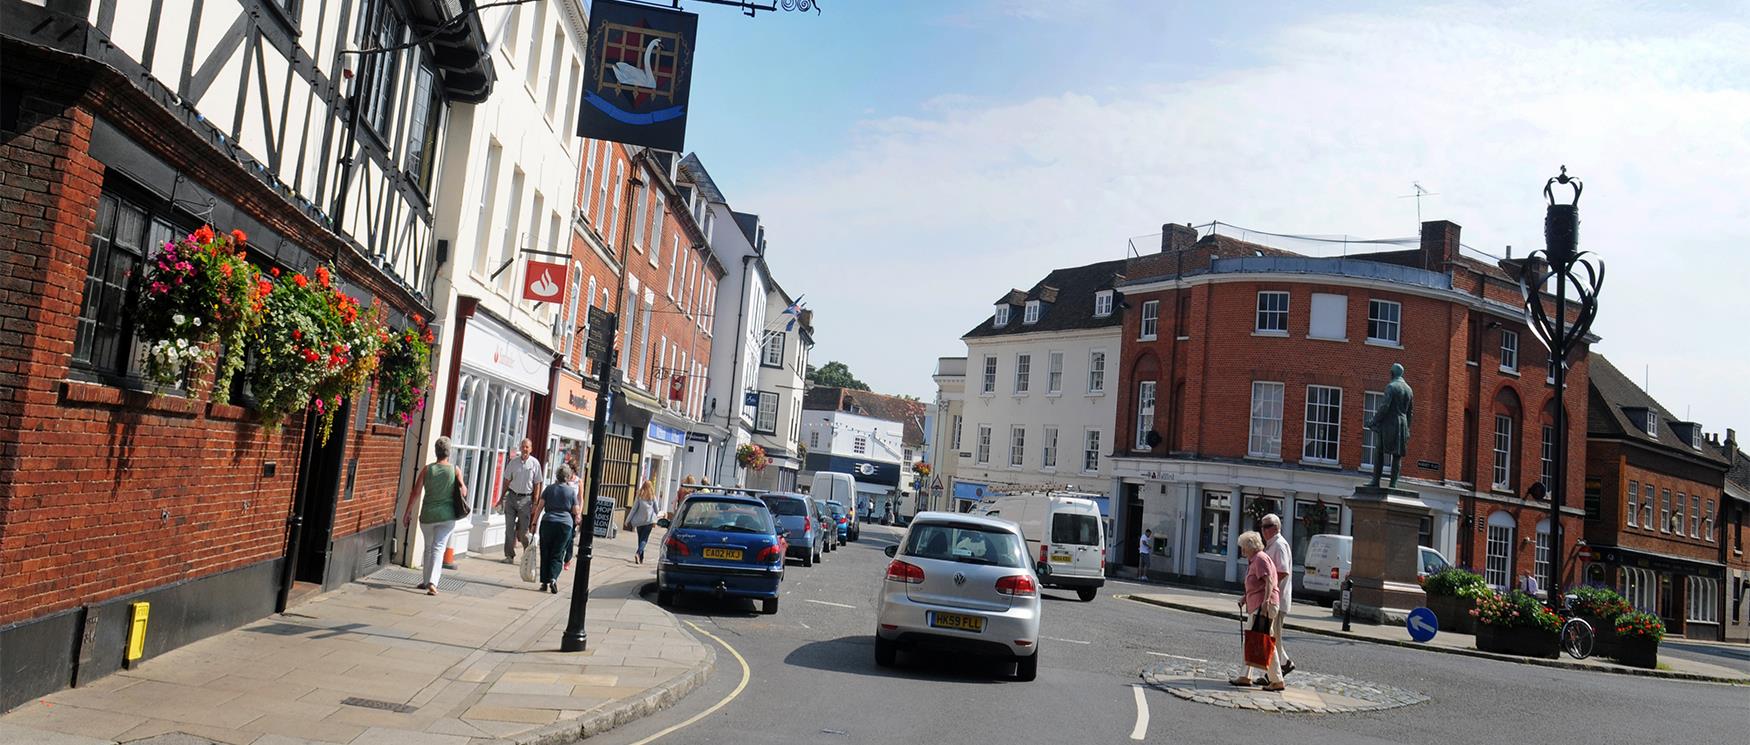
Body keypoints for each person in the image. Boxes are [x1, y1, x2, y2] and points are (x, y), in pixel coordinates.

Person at [404, 437, 467, 596]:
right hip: (447, 517)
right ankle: (432, 582)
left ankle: (426, 581)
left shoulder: (427, 469)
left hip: (428, 516)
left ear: (435, 452)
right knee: (438, 548)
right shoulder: (455, 470)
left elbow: (415, 493)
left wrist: (408, 512)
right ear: (449, 452)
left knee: (428, 548)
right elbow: (464, 491)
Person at [1231, 530, 1284, 691]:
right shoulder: (1255, 560)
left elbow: (1269, 582)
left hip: (1263, 606)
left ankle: (1276, 680)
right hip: (1258, 605)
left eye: (1243, 547)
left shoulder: (1260, 559)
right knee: (1253, 640)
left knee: (1265, 643)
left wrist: (1266, 602)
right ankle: (1245, 676)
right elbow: (1257, 585)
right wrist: (1245, 598)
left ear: (1251, 546)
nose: (1242, 550)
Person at [1259, 514, 1297, 677]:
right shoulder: (1271, 545)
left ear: (1275, 528)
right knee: (1272, 636)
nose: (1263, 529)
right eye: (1261, 526)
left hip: (1277, 600)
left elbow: (1282, 572)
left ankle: (1276, 673)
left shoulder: (1279, 545)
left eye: (1266, 526)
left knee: (1273, 637)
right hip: (1274, 599)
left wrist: (1269, 589)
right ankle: (1284, 664)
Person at [535, 465, 581, 594]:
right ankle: (553, 578)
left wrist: (534, 524)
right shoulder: (571, 491)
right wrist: (577, 517)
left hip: (548, 522)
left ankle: (544, 582)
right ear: (567, 477)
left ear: (556, 476)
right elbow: (575, 510)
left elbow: (540, 507)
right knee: (558, 553)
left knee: (545, 552)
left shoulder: (549, 489)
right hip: (565, 525)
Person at [502, 438, 542, 564]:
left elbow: (537, 484)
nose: (524, 449)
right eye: (523, 446)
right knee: (509, 528)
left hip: (526, 499)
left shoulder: (535, 463)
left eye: (527, 447)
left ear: (531, 449)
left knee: (524, 533)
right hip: (512, 497)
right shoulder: (513, 463)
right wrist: (501, 497)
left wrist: (535, 503)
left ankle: (526, 555)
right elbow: (507, 481)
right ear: (520, 447)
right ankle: (509, 556)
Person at [628, 479, 659, 563]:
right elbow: (657, 510)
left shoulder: (639, 496)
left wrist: (628, 520)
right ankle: (638, 553)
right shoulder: (653, 497)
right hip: (649, 522)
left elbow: (634, 509)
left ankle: (641, 558)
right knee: (644, 539)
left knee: (640, 539)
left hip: (639, 522)